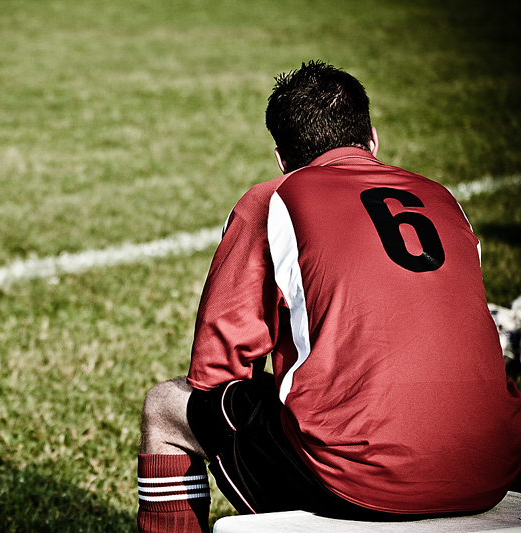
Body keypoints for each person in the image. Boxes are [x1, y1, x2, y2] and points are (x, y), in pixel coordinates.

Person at [136, 61, 521, 533]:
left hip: (361, 481)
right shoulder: (442, 198)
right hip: (493, 467)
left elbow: (217, 368)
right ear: (373, 139)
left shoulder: (275, 197)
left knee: (166, 407)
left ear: (282, 160)